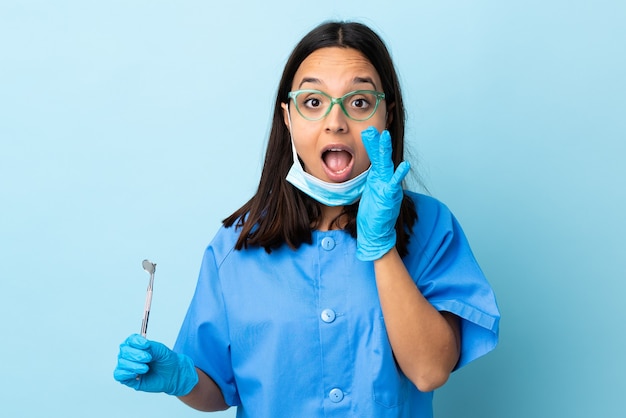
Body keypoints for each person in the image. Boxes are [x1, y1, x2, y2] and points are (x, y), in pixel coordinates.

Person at [114, 20, 500, 417]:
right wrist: (183, 378)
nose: (336, 121)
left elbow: (429, 371)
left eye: (360, 102)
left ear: (388, 115)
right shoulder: (236, 243)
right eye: (313, 102)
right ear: (287, 117)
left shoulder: (431, 227)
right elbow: (220, 391)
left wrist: (381, 247)